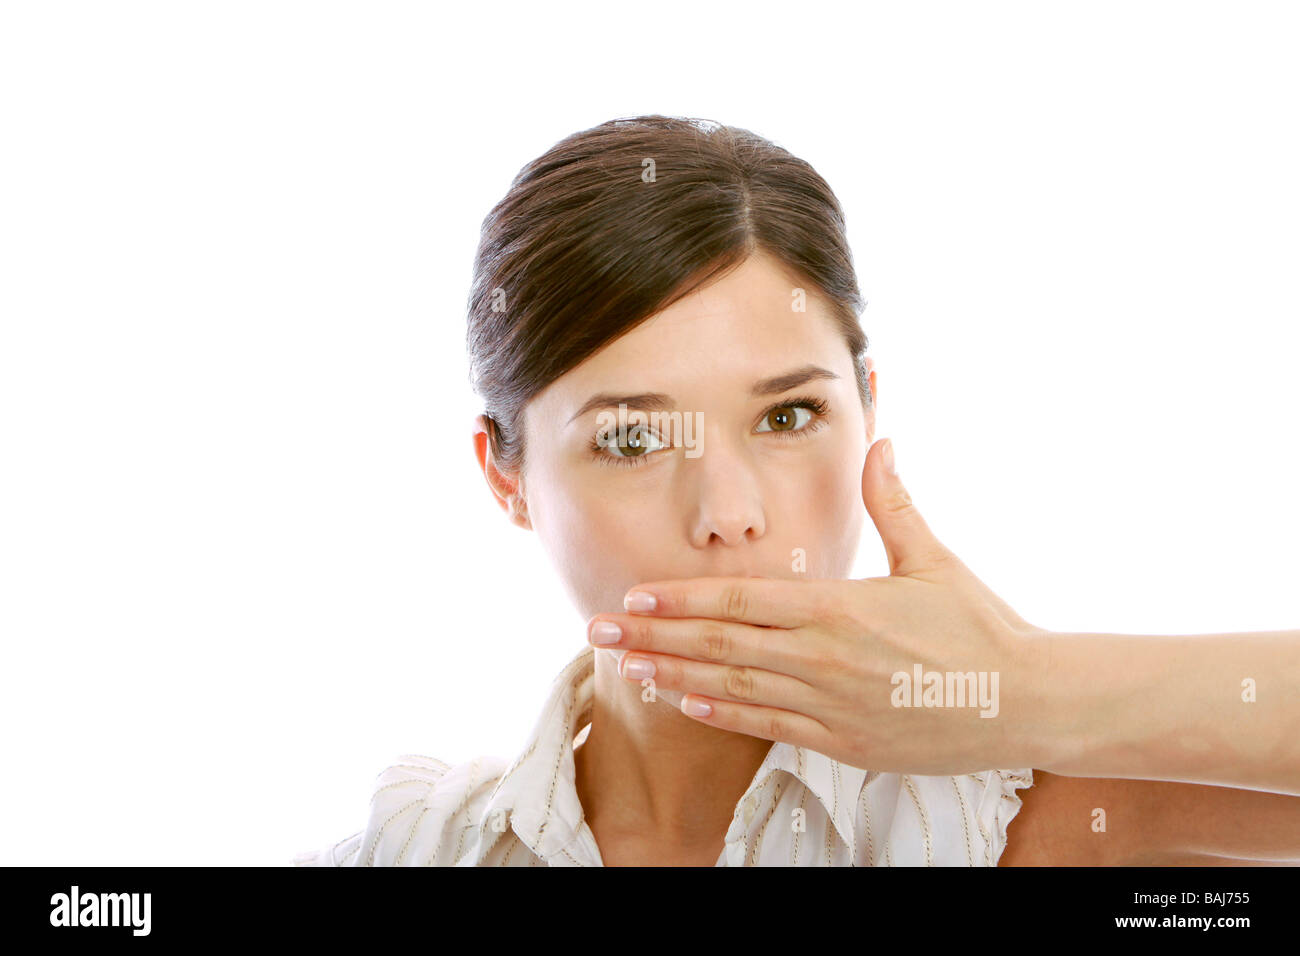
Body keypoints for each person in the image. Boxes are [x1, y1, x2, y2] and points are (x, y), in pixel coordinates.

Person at [293, 115, 1299, 866]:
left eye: (785, 416)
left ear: (867, 406)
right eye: (633, 437)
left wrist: (1016, 684)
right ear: (504, 475)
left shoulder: (1027, 822)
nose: (729, 512)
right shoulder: (414, 849)